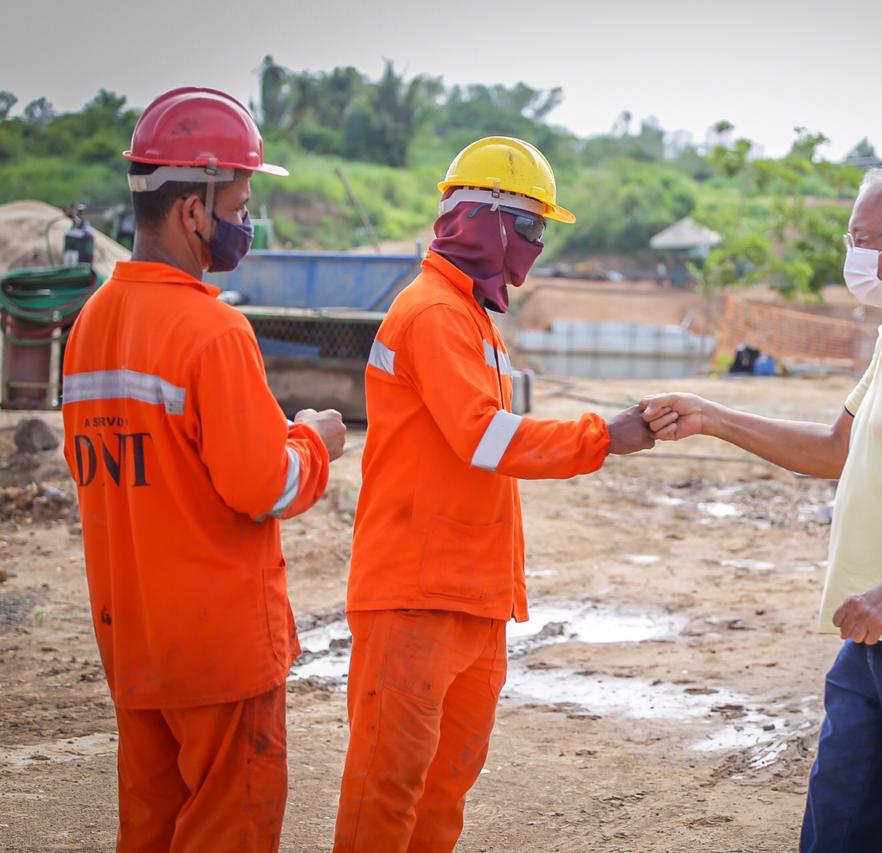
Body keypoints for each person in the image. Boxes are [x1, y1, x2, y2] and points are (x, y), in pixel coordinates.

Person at [642, 166, 882, 852]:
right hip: (874, 630)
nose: (849, 256)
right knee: (839, 819)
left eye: (861, 239)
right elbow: (834, 448)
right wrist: (710, 417)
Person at [333, 136, 655, 851]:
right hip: (415, 595)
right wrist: (604, 434)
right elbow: (485, 438)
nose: (537, 247)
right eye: (533, 227)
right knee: (386, 795)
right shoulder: (434, 315)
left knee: (440, 796)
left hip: (470, 599)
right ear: (485, 220)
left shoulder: (472, 318)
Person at [59, 87, 346, 852]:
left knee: (150, 832)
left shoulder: (89, 326)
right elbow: (262, 485)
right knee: (229, 830)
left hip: (138, 646)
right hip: (220, 657)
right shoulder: (213, 331)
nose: (245, 222)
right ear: (195, 212)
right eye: (242, 201)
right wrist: (315, 442)